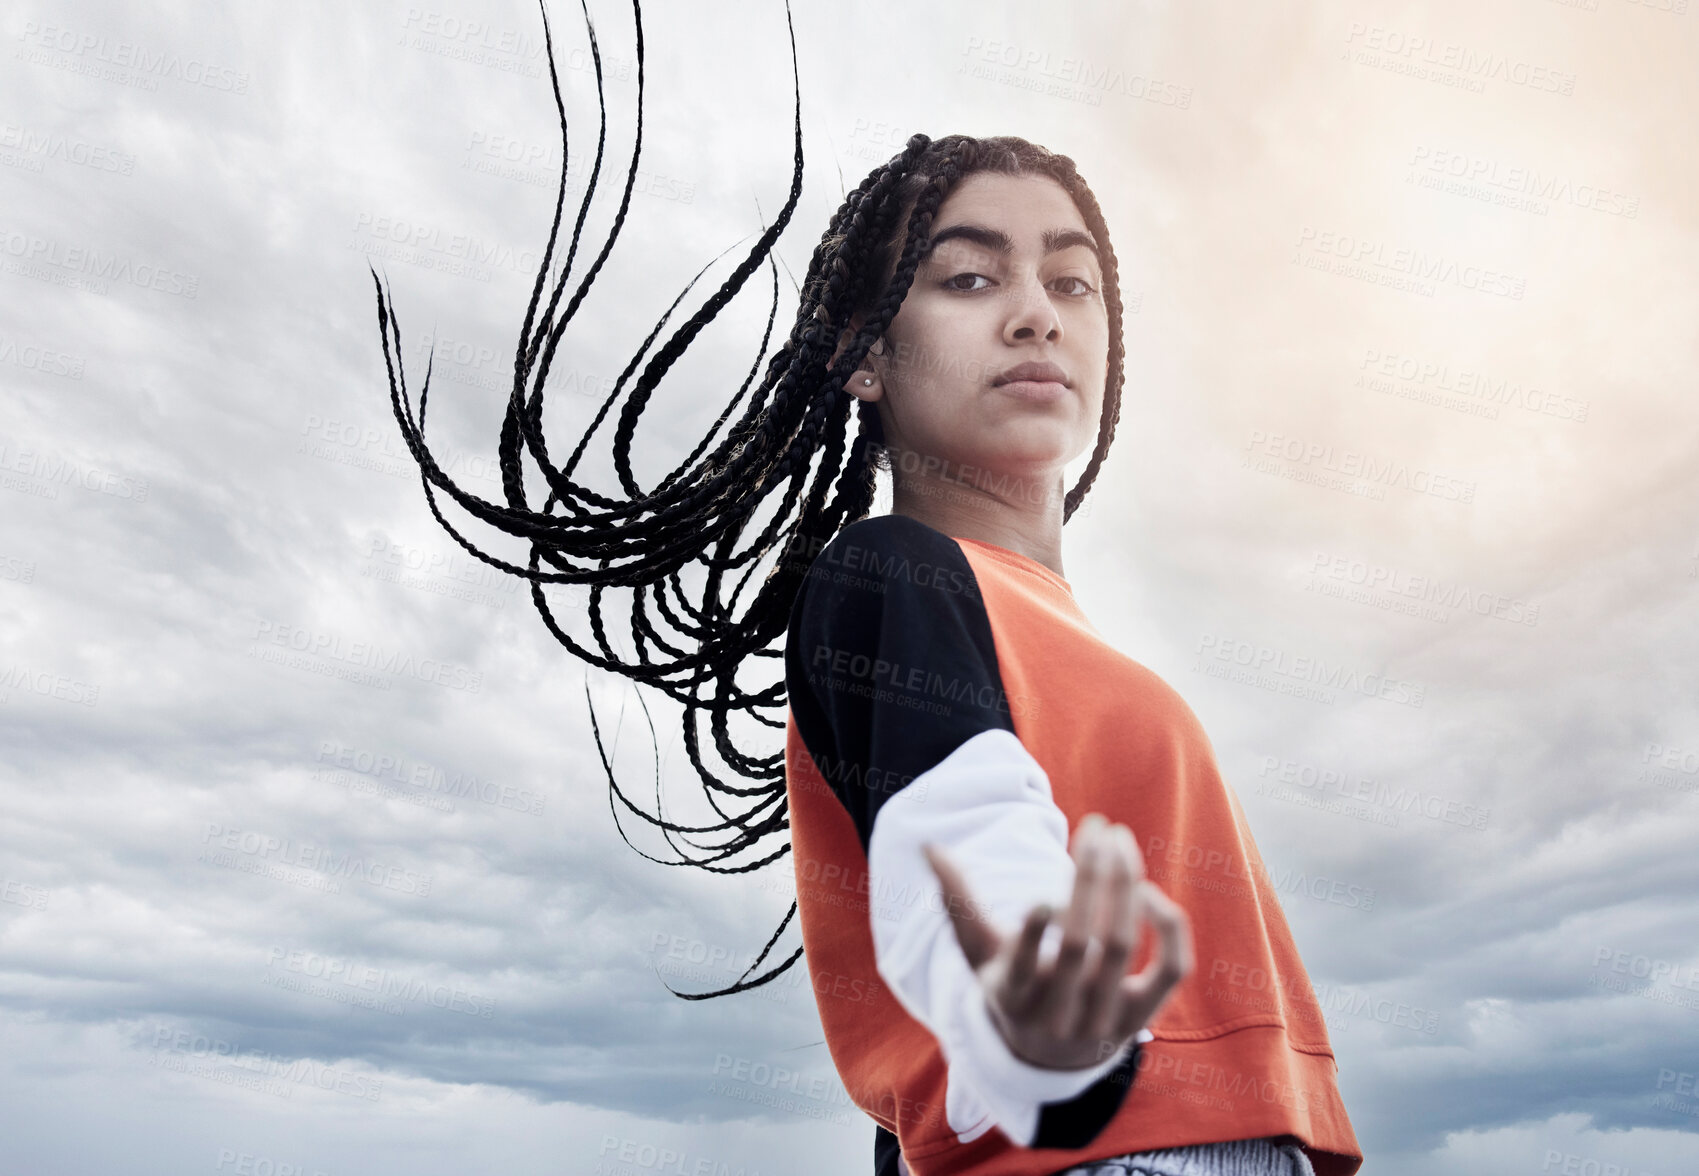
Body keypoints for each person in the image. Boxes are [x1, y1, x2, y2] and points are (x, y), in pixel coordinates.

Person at [369, 3, 1363, 1175]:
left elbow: (919, 1060)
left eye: (1074, 283)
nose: (1036, 309)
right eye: (967, 276)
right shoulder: (892, 578)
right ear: (862, 355)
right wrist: (1026, 1017)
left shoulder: (1036, 627)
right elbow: (968, 860)